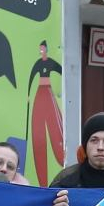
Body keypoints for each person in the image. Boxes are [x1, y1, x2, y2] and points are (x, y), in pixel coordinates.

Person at [29, 40, 66, 185]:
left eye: (43, 49)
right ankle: (42, 182)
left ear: (47, 49)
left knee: (55, 128)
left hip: (48, 92)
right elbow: (32, 76)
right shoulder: (38, 63)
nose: (41, 51)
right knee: (38, 131)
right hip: (39, 93)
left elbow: (62, 70)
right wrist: (27, 95)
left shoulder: (50, 62)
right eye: (40, 49)